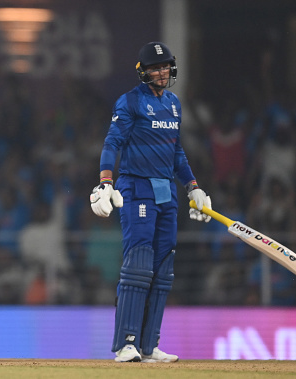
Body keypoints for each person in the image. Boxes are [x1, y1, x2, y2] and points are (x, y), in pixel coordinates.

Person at [90, 42, 212, 363]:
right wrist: (105, 182)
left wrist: (193, 187)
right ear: (143, 72)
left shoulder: (173, 104)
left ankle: (148, 344)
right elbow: (112, 142)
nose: (161, 72)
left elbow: (177, 152)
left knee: (163, 269)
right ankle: (126, 343)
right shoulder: (130, 102)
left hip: (166, 192)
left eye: (165, 66)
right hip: (136, 187)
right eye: (155, 68)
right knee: (138, 265)